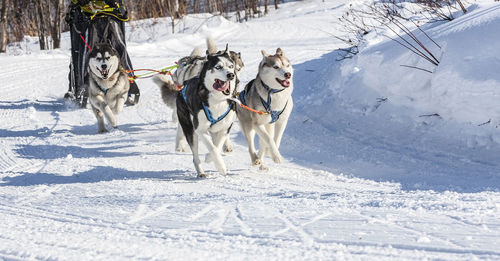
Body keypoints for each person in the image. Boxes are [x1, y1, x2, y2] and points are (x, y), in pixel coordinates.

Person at [64, 0, 140, 107]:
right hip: (90, 15)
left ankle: (129, 83)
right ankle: (83, 88)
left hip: (108, 13)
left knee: (118, 51)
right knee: (89, 54)